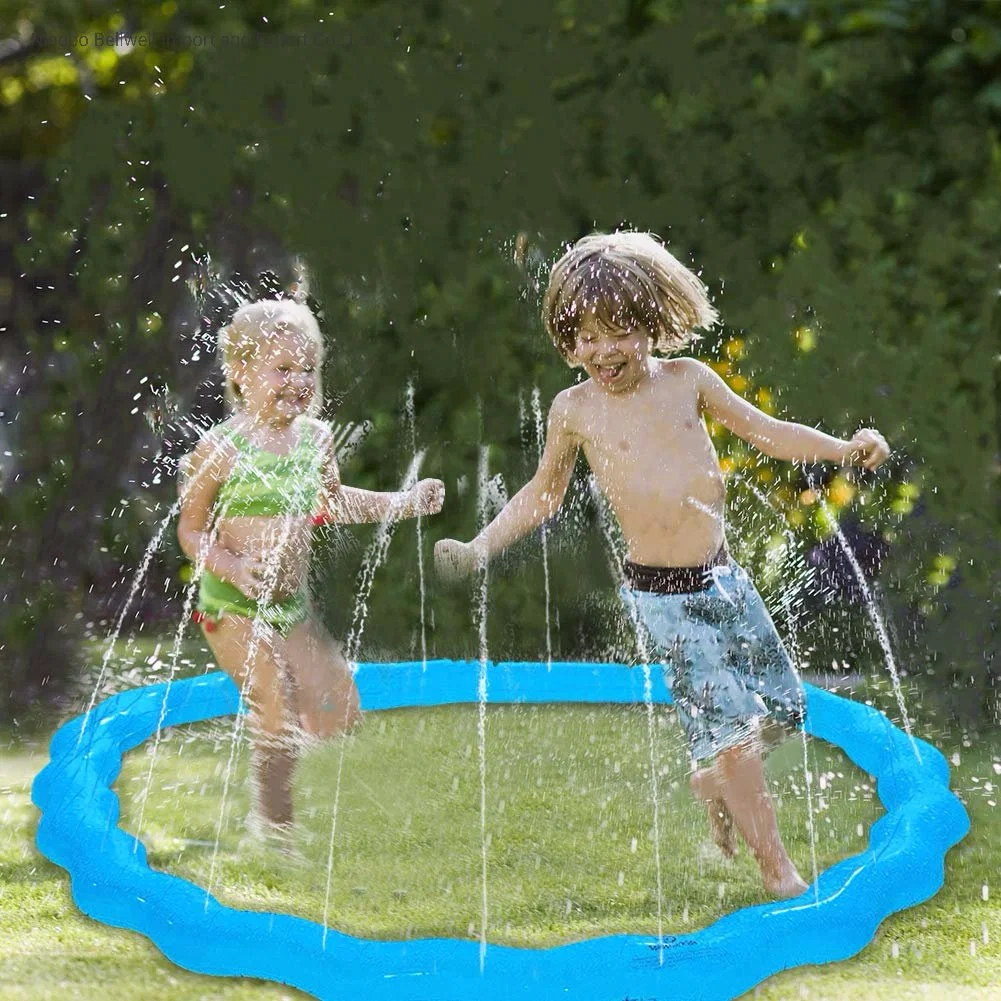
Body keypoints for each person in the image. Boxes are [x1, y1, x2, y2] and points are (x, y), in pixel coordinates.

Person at [434, 231, 889, 897]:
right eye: (582, 337)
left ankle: (713, 777)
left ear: (651, 323)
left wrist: (844, 448)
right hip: (661, 598)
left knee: (786, 709)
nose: (601, 350)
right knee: (733, 734)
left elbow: (767, 432)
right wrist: (479, 546)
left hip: (724, 578)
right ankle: (778, 872)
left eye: (616, 330)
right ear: (565, 342)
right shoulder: (574, 410)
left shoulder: (688, 382)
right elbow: (541, 493)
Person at [178, 297, 444, 848]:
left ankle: (274, 749)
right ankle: (273, 830)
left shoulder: (316, 440)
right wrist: (229, 563)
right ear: (240, 373)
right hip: (230, 604)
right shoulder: (221, 449)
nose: (297, 381)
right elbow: (191, 530)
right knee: (276, 700)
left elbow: (332, 503)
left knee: (338, 711)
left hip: (288, 604)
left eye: (307, 369)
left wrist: (404, 502)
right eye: (282, 369)